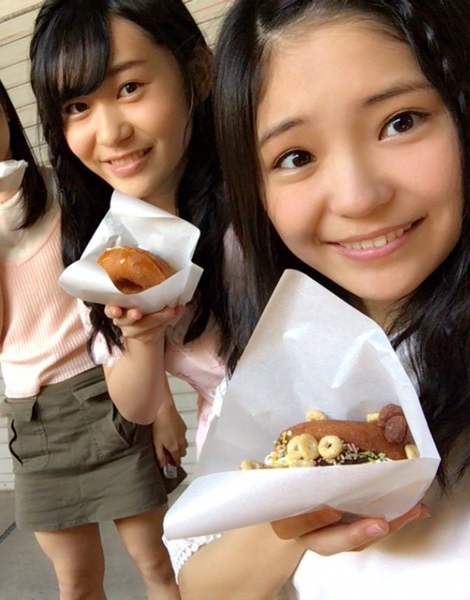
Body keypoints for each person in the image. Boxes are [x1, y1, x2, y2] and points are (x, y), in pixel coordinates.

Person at [176, 0, 470, 598]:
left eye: (401, 122)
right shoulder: (282, 374)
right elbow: (202, 586)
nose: (358, 197)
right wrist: (292, 518)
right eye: (296, 157)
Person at [0, 50, 183, 600]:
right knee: (77, 583)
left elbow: (125, 305)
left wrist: (164, 409)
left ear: (4, 111)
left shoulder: (64, 188)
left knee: (158, 562)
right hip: (35, 423)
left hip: (112, 395)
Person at [28, 0, 234, 457]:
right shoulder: (104, 248)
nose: (109, 133)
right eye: (78, 106)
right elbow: (137, 407)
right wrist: (142, 337)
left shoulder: (261, 195)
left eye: (129, 88)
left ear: (198, 73)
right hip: (238, 457)